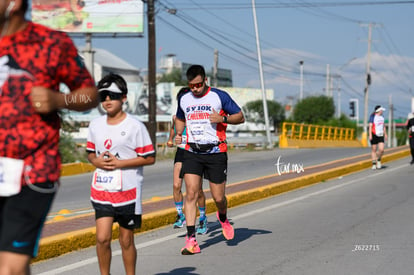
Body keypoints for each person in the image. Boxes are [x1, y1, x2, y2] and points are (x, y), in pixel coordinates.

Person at [0, 0, 98, 273]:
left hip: (32, 170)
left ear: (14, 3)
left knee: (8, 267)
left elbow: (89, 94)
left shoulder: (51, 43)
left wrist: (59, 99)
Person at [86, 73, 155, 275]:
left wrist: (120, 163)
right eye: (103, 96)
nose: (107, 100)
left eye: (112, 95)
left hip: (128, 191)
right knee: (102, 238)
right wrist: (96, 161)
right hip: (102, 189)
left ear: (123, 98)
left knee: (126, 240)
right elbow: (90, 153)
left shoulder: (135, 126)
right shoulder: (95, 125)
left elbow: (149, 157)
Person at [175, 64, 245, 255]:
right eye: (191, 86)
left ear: (205, 80)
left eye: (198, 85)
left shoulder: (218, 96)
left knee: (218, 197)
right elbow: (180, 118)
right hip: (192, 152)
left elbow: (240, 116)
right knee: (191, 193)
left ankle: (223, 218)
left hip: (216, 152)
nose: (195, 89)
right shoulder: (184, 98)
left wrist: (222, 119)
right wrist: (178, 133)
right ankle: (191, 241)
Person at [167, 87, 207, 234]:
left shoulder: (197, 115)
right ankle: (180, 214)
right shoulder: (176, 117)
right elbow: (174, 128)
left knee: (197, 190)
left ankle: (202, 217)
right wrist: (171, 139)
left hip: (195, 152)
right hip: (182, 152)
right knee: (176, 185)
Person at [368, 105, 387, 169]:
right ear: (379, 110)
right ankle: (373, 164)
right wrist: (370, 134)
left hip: (381, 134)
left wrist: (385, 134)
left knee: (381, 150)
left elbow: (383, 126)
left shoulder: (382, 117)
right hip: (374, 134)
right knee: (374, 149)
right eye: (381, 110)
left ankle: (378, 160)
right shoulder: (372, 116)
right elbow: (370, 126)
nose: (382, 111)